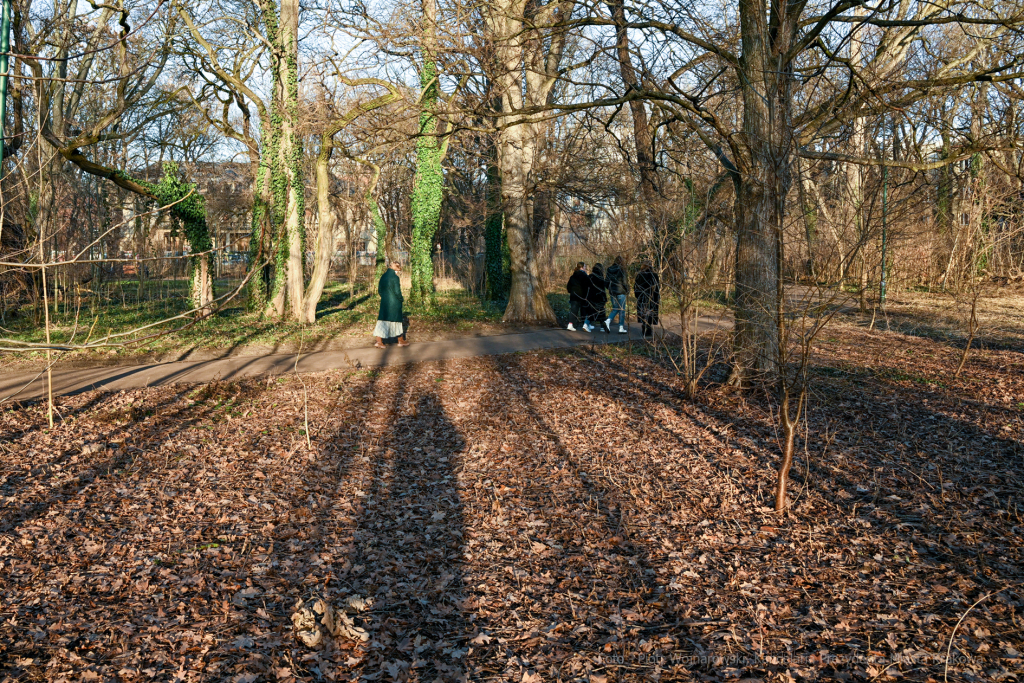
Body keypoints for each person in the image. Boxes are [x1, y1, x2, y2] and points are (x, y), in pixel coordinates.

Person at [374, 261, 409, 348]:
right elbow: (397, 292)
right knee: (397, 321)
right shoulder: (395, 277)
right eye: (398, 270)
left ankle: (379, 341)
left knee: (382, 321)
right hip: (394, 303)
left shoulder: (383, 276)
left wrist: (385, 298)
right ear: (396, 269)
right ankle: (400, 340)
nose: (398, 272)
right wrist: (401, 299)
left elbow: (380, 290)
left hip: (385, 303)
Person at [634, 261, 660, 338]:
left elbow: (636, 287)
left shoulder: (639, 275)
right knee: (650, 312)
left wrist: (638, 296)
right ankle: (648, 328)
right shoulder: (654, 275)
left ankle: (644, 325)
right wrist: (656, 297)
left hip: (642, 297)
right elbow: (657, 288)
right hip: (652, 297)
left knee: (643, 312)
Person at [604, 256, 628, 334]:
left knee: (615, 308)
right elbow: (624, 282)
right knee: (622, 310)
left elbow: (606, 281)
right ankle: (621, 327)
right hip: (621, 292)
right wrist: (627, 290)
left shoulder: (609, 269)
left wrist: (610, 288)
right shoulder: (622, 270)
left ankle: (607, 321)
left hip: (612, 292)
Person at [566, 262, 591, 331]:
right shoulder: (584, 276)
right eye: (585, 267)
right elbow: (587, 287)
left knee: (573, 310)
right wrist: (586, 296)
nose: (586, 268)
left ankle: (570, 324)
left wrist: (572, 292)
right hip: (582, 296)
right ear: (582, 267)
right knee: (584, 309)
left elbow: (568, 287)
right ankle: (585, 324)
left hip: (574, 295)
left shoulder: (573, 276)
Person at [588, 263, 610, 332]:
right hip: (600, 296)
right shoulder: (600, 276)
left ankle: (588, 324)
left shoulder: (591, 276)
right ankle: (602, 326)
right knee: (601, 311)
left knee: (591, 311)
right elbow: (603, 287)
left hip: (591, 296)